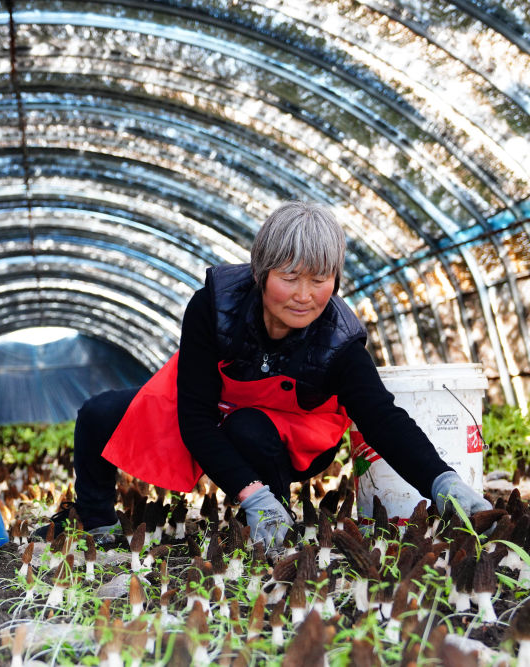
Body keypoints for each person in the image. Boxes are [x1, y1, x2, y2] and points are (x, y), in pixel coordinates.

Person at [41, 201, 490, 548]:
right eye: (290, 277)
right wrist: (248, 494)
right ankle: (98, 524)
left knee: (248, 427)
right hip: (214, 408)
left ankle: (276, 518)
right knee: (99, 413)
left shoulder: (339, 340)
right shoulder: (214, 307)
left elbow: (382, 419)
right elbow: (194, 417)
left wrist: (443, 482)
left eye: (320, 279)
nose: (304, 296)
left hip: (289, 433)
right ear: (261, 272)